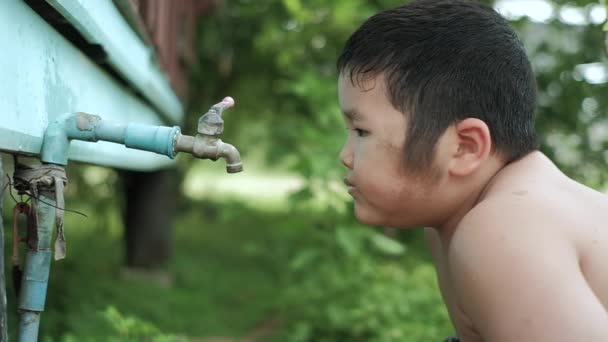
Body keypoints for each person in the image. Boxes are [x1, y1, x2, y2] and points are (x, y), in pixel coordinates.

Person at [336, 0, 608, 341]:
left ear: (464, 147)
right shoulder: (456, 224)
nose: (346, 156)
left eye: (362, 132)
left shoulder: (501, 231)